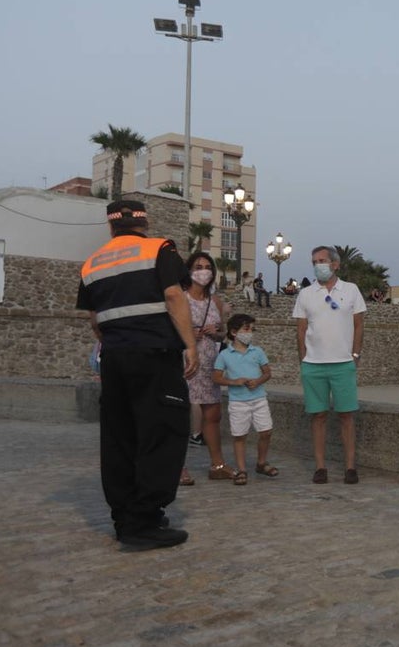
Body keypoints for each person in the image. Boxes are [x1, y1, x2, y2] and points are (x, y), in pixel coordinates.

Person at [76, 199, 198, 550]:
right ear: (144, 222)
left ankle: (125, 518)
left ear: (110, 226)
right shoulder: (159, 249)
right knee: (161, 433)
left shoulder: (93, 263)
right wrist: (190, 344)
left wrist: (117, 344)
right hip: (155, 356)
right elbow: (174, 296)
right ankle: (145, 519)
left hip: (115, 359)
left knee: (120, 438)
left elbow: (95, 319)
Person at [293, 246, 366, 484]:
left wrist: (355, 355)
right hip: (314, 365)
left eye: (322, 260)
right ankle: (320, 467)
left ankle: (350, 467)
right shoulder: (305, 294)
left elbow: (358, 325)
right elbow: (301, 329)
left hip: (343, 363)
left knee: (346, 416)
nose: (317, 265)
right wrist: (303, 358)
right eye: (314, 261)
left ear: (335, 264)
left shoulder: (351, 290)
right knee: (318, 416)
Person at [181, 251, 234, 484]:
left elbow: (224, 334)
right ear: (189, 270)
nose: (203, 270)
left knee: (213, 414)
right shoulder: (180, 299)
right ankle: (177, 467)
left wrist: (217, 332)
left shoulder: (216, 302)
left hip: (210, 363)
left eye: (207, 266)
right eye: (198, 266)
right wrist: (188, 334)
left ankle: (218, 464)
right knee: (181, 417)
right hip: (187, 363)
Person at [213, 314, 277, 485]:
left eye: (251, 329)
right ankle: (242, 469)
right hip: (238, 401)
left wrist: (258, 381)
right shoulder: (225, 355)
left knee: (266, 431)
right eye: (246, 329)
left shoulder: (258, 351)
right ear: (234, 332)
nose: (250, 333)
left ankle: (261, 462)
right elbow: (216, 377)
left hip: (258, 398)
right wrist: (234, 382)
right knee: (240, 435)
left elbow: (267, 372)